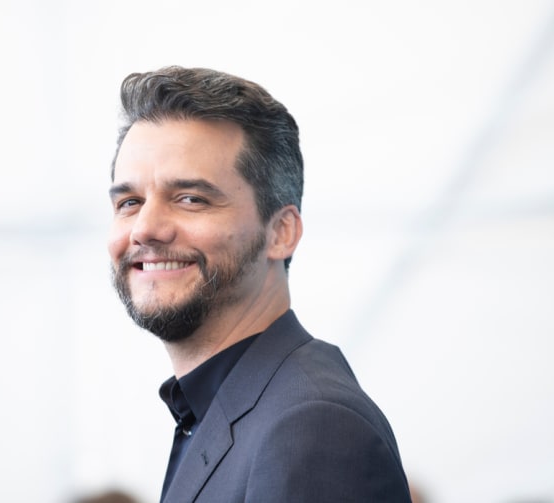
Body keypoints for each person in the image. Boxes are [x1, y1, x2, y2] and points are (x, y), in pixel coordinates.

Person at [108, 66, 412, 502]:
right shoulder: (230, 410)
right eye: (129, 202)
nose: (145, 228)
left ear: (281, 232)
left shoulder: (312, 427)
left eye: (191, 198)